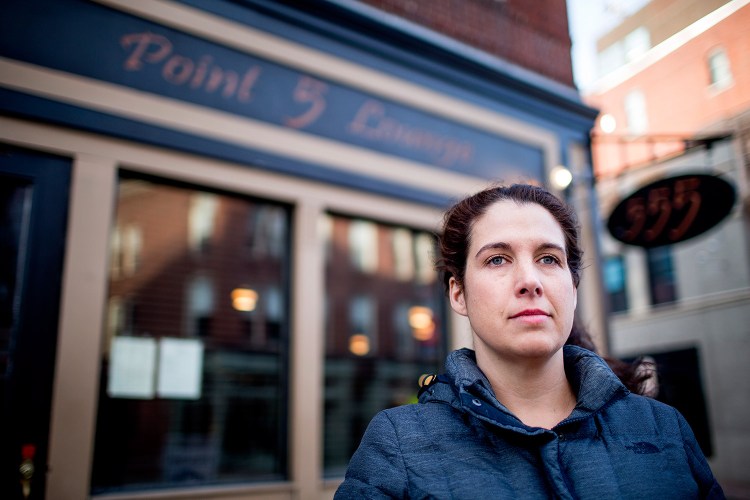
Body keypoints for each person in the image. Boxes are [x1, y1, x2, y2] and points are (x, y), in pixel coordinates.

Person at [335, 184, 723, 499]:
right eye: (498, 259)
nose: (530, 280)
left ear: (573, 287)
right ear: (458, 293)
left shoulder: (661, 427)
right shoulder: (401, 444)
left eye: (549, 259)